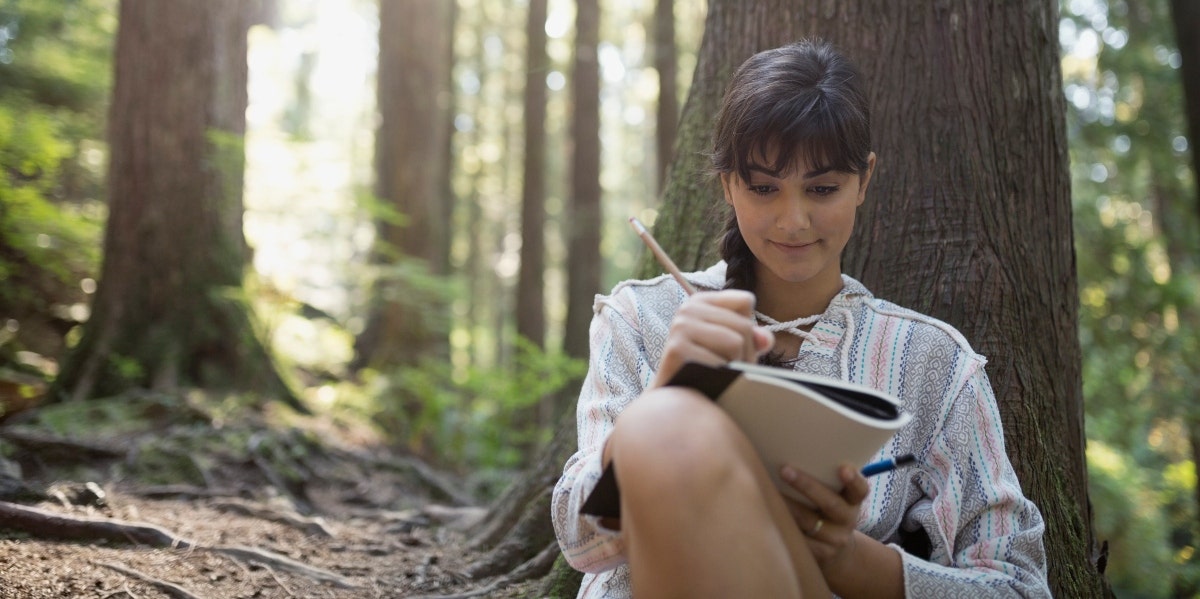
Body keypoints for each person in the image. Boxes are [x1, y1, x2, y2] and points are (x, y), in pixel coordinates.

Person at [550, 38, 1051, 598]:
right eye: (764, 188)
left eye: (822, 188)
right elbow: (579, 544)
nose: (793, 219)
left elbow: (1020, 588)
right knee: (663, 423)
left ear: (864, 180)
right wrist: (664, 400)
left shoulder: (933, 363)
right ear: (728, 185)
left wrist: (848, 560)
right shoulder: (641, 318)